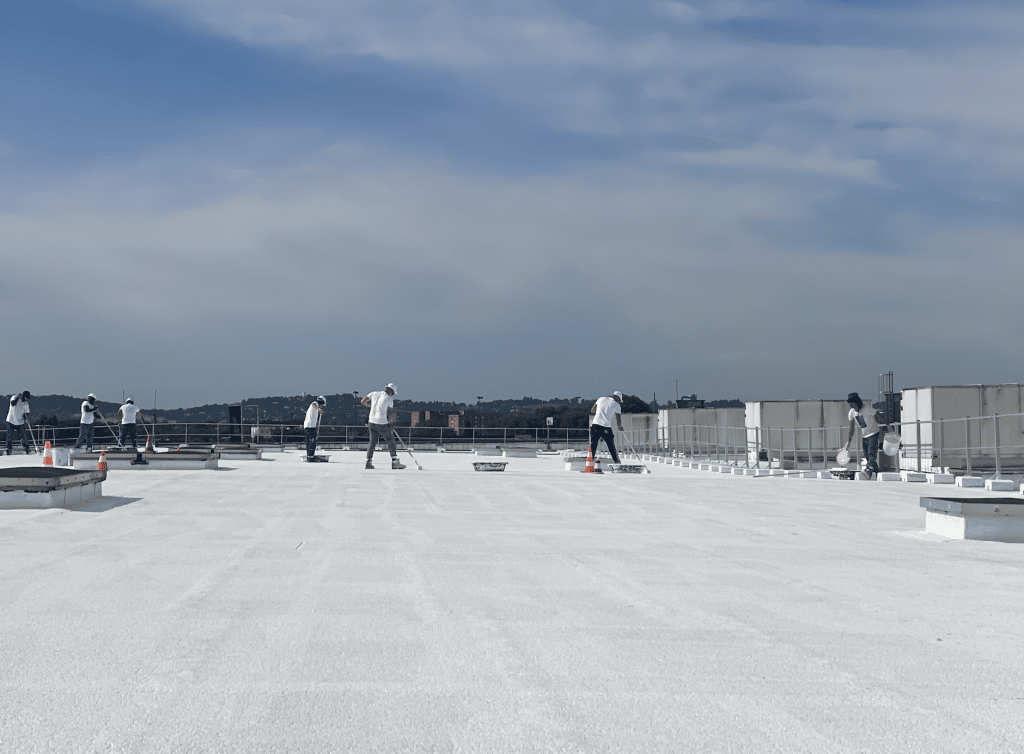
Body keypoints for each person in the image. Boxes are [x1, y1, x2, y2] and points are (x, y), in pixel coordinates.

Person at [843, 392, 887, 479]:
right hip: (865, 435)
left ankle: (869, 471)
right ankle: (877, 471)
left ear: (856, 402)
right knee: (867, 455)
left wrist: (888, 425)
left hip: (874, 433)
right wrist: (848, 441)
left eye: (852, 403)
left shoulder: (867, 408)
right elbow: (851, 428)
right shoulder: (852, 413)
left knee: (872, 452)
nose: (851, 406)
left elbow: (878, 415)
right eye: (850, 404)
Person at [361, 383, 405, 469]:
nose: (392, 395)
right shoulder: (389, 399)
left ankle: (368, 462)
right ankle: (395, 462)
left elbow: (363, 401)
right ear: (391, 391)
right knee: (390, 440)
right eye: (392, 393)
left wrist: (371, 405)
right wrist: (391, 425)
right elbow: (391, 414)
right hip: (382, 423)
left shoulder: (373, 393)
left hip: (371, 422)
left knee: (372, 442)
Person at [589, 391, 624, 465]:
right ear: (617, 398)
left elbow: (592, 410)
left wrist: (600, 410)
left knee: (593, 444)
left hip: (595, 425)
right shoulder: (617, 405)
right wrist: (619, 427)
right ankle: (617, 462)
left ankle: (590, 462)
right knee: (611, 446)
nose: (619, 402)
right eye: (619, 400)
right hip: (606, 427)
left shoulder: (601, 399)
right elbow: (618, 418)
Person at [6, 390, 33, 455]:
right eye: (25, 398)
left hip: (20, 422)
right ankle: (9, 449)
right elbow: (12, 404)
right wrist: (18, 398)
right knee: (9, 436)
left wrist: (25, 417)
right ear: (22, 396)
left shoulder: (26, 403)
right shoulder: (14, 397)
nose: (26, 400)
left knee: (23, 436)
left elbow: (26, 413)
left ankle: (26, 448)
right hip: (11, 420)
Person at [303, 396, 327, 460]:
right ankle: (310, 455)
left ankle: (309, 454)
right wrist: (319, 409)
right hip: (310, 426)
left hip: (308, 425)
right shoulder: (315, 403)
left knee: (309, 441)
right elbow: (314, 405)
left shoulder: (315, 407)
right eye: (322, 405)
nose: (322, 406)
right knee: (312, 440)